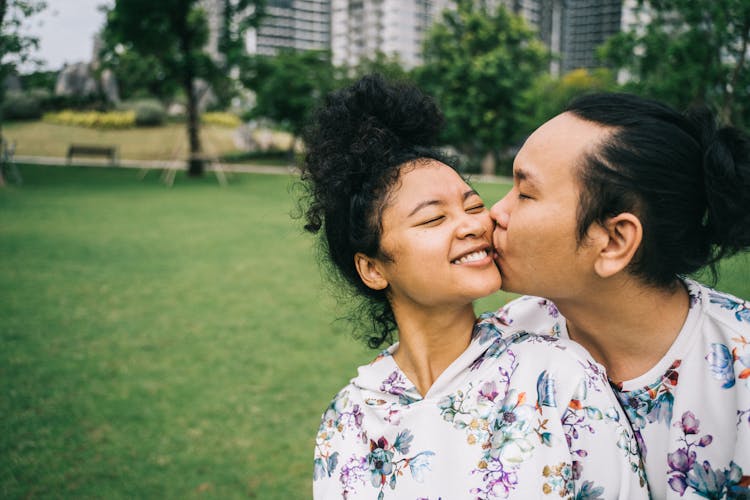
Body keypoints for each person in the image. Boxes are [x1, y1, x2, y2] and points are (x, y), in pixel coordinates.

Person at [302, 75, 647, 499]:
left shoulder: (558, 378)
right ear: (372, 269)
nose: (473, 225)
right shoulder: (349, 418)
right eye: (433, 218)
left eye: (473, 205)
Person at [490, 92, 750, 499]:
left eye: (525, 194)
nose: (494, 213)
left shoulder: (742, 371)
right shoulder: (498, 346)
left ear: (613, 240)